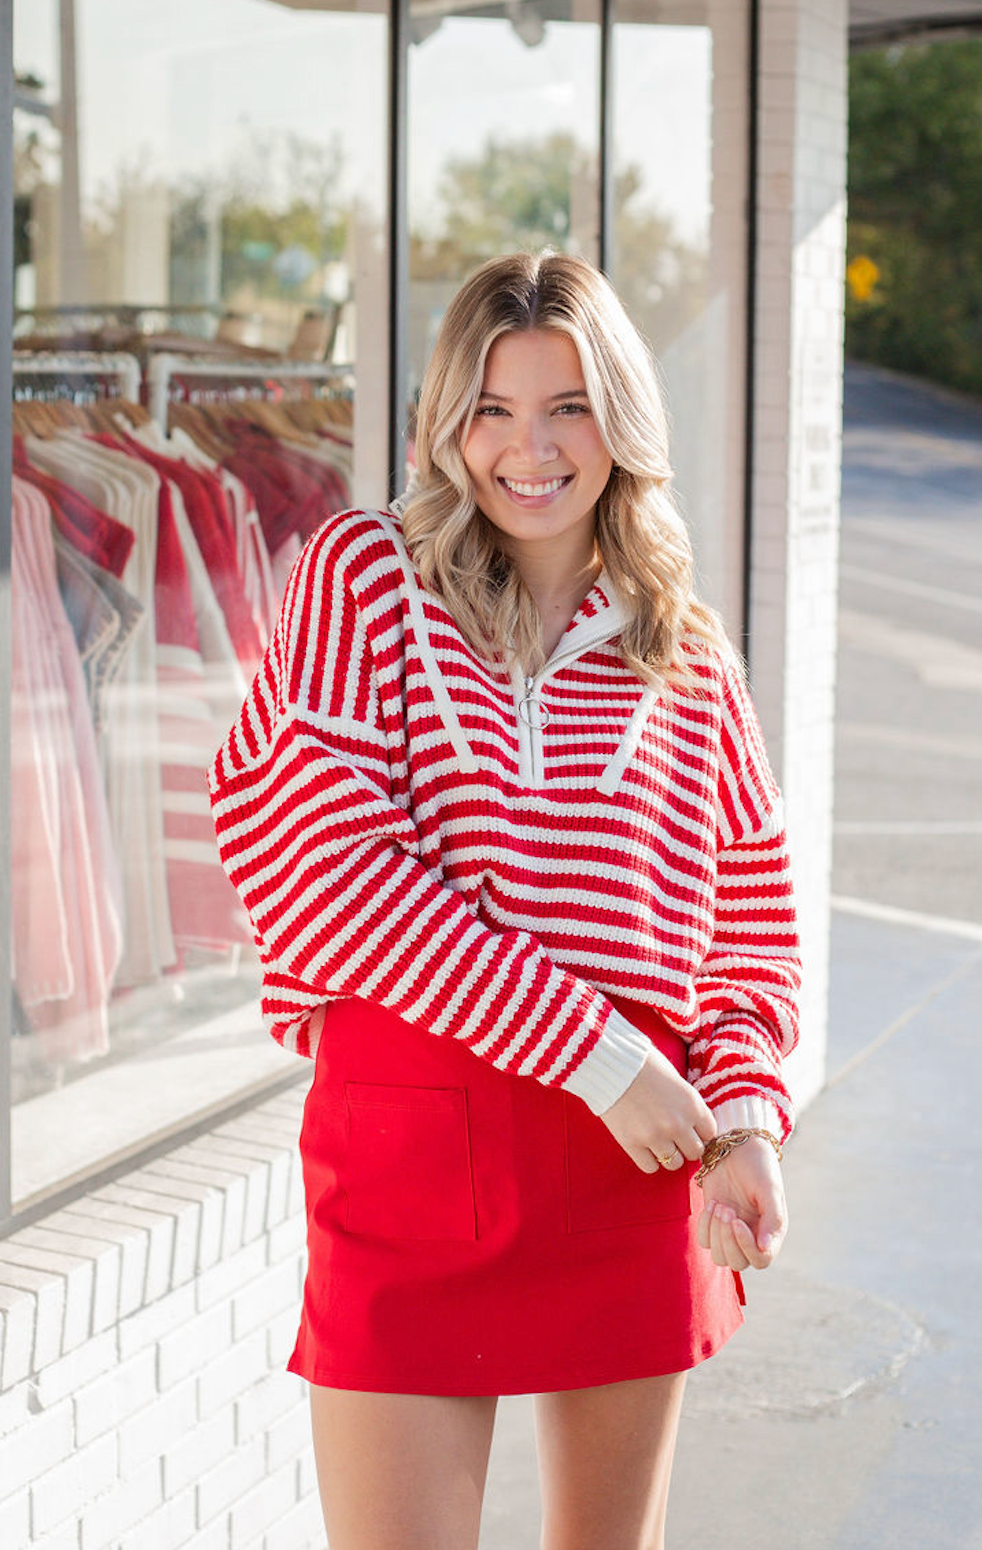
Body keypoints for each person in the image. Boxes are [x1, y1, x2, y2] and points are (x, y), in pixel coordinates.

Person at [209, 250, 801, 1550]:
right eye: (490, 409)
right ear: (443, 423)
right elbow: (324, 873)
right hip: (413, 1143)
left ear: (621, 422)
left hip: (636, 1162)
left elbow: (746, 915)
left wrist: (745, 1113)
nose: (526, 449)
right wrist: (602, 1058)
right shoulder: (363, 578)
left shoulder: (682, 648)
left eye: (566, 405)